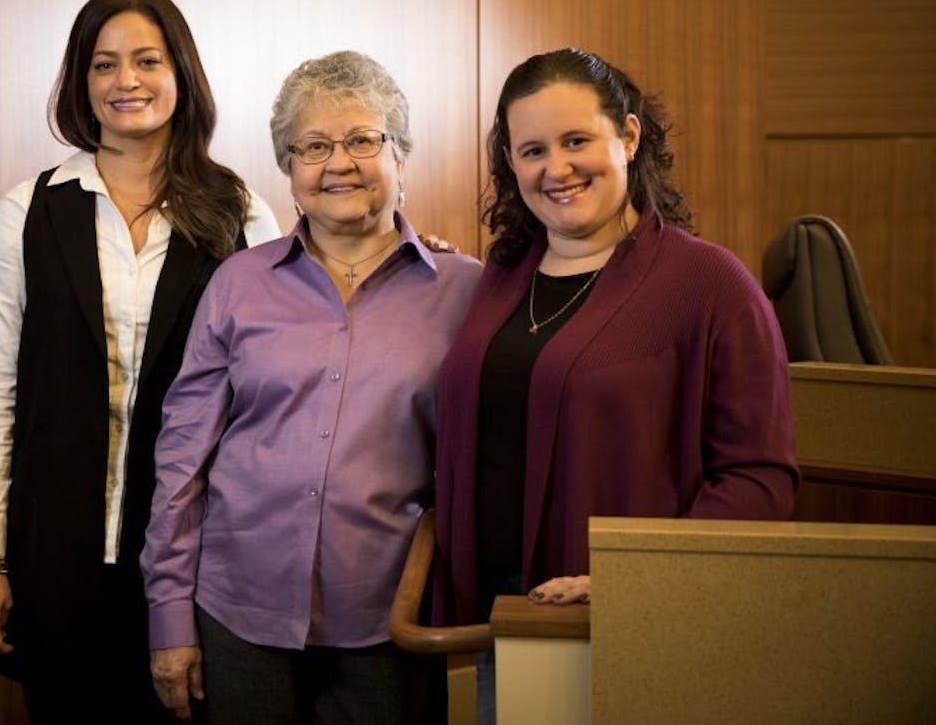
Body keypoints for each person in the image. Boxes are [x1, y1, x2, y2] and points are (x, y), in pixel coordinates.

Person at [432, 48, 799, 719]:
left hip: (624, 630)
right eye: (532, 150)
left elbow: (759, 481)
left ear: (628, 137)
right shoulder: (501, 276)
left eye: (577, 141)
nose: (557, 169)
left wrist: (633, 578)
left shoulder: (712, 286)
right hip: (486, 619)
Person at [0, 0, 280, 723]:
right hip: (53, 561)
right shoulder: (28, 210)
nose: (125, 82)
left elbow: (280, 384)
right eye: (104, 65)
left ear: (181, 74)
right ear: (81, 80)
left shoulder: (241, 213)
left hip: (193, 565)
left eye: (146, 60)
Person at [142, 51, 483, 724]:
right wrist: (169, 617)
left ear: (401, 154)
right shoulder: (238, 283)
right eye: (314, 146)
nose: (339, 163)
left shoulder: (468, 291)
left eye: (363, 140)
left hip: (390, 624)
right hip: (238, 618)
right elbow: (181, 464)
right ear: (290, 167)